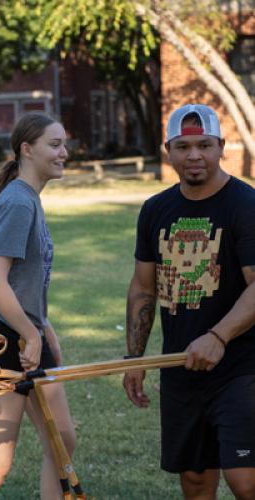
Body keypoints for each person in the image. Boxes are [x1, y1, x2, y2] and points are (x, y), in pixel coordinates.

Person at [123, 104, 255, 499]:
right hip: (180, 367)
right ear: (169, 150)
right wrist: (136, 359)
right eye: (183, 146)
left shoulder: (245, 205)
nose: (194, 155)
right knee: (196, 482)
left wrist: (219, 335)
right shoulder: (155, 210)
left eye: (204, 145)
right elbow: (144, 288)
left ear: (221, 147)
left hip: (242, 367)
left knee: (245, 479)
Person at [0, 113, 76, 500]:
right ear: (27, 149)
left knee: (62, 441)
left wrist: (44, 328)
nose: (64, 153)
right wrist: (30, 334)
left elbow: (22, 282)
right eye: (55, 144)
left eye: (64, 144)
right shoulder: (18, 202)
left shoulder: (26, 198)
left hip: (28, 333)